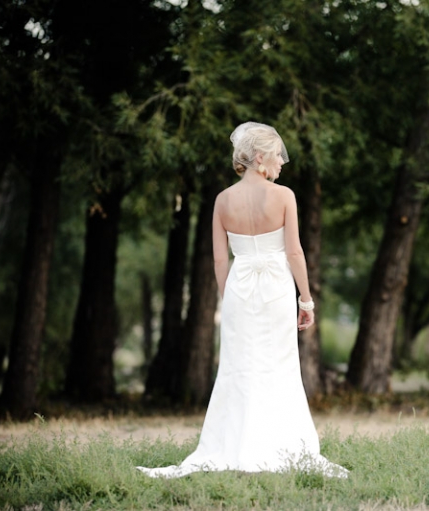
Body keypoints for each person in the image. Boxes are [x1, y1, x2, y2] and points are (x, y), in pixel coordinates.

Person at [137, 122, 348, 479]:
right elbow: (295, 252)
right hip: (277, 290)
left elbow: (220, 260)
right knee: (278, 367)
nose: (282, 162)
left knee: (238, 367)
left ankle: (235, 444)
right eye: (278, 155)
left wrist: (228, 297)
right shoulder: (284, 197)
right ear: (261, 158)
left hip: (239, 290)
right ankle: (279, 446)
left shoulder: (222, 200)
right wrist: (307, 300)